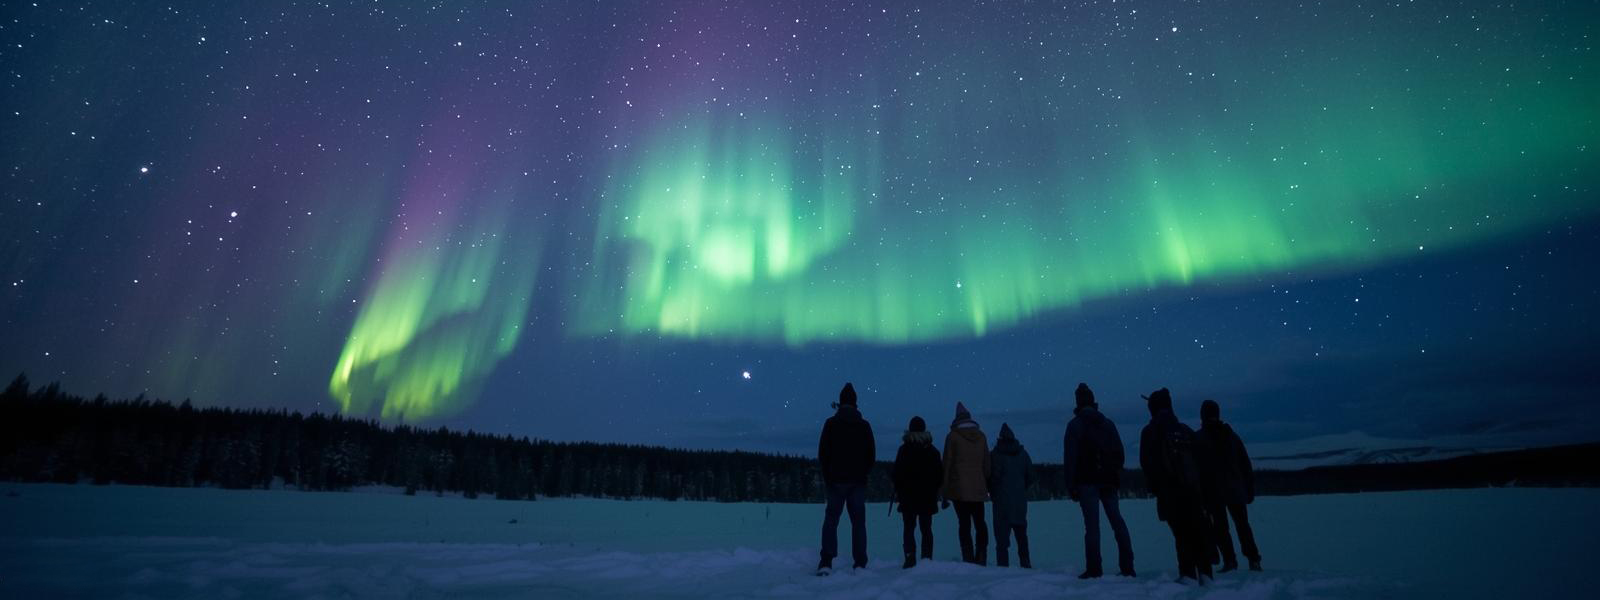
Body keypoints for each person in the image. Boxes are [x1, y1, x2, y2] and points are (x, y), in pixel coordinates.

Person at [1139, 387, 1214, 585]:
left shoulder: (1149, 432)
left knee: (1181, 533)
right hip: (1193, 490)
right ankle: (1205, 573)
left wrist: (1155, 487)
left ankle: (1188, 574)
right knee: (1196, 528)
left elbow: (1147, 463)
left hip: (1169, 491)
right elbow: (1202, 463)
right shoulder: (1185, 430)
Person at [1063, 382, 1136, 578]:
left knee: (1092, 526)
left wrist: (1071, 485)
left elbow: (1070, 458)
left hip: (1087, 482)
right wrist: (1112, 472)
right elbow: (1119, 453)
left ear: (1078, 402)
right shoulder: (1108, 424)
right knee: (1117, 521)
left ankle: (1095, 568)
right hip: (1108, 480)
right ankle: (1127, 566)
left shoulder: (1074, 425)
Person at [1197, 399, 1262, 572]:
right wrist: (1248, 488)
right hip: (1234, 489)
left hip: (1215, 492)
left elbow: (1198, 469)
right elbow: (1245, 464)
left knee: (1222, 527)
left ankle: (1231, 560)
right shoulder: (1231, 436)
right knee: (1241, 525)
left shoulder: (1201, 438)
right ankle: (1252, 559)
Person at [817, 382, 875, 573]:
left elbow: (823, 453)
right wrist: (863, 474)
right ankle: (860, 562)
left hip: (836, 481)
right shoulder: (864, 426)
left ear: (840, 403)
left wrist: (828, 477)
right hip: (857, 482)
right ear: (855, 403)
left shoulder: (831, 424)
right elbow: (871, 455)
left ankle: (826, 561)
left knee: (831, 520)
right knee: (858, 522)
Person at [942, 401, 991, 565]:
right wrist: (985, 483)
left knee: (964, 524)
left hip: (959, 488)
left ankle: (968, 556)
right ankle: (982, 553)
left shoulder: (953, 437)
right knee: (980, 522)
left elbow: (947, 463)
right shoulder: (981, 436)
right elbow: (986, 463)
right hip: (978, 487)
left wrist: (945, 488)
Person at [892, 415, 943, 569]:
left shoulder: (904, 449)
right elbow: (939, 474)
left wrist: (898, 490)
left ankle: (910, 557)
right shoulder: (933, 451)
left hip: (908, 496)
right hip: (927, 496)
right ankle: (927, 558)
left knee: (909, 527)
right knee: (926, 528)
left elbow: (897, 473)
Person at [988, 423, 1034, 568]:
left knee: (1002, 542)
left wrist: (993, 492)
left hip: (1001, 504)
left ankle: (1003, 569)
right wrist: (1021, 489)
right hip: (1019, 503)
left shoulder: (995, 455)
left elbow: (992, 478)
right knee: (1021, 537)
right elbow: (1031, 476)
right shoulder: (1023, 454)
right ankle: (1025, 565)